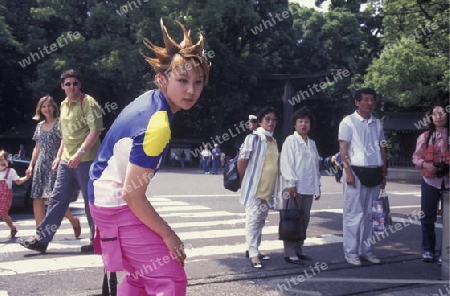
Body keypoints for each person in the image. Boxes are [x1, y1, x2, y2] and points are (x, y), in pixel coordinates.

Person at [87, 19, 211, 295]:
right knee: (171, 278)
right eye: (182, 80)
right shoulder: (158, 124)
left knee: (140, 278)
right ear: (162, 79)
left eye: (198, 82)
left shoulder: (150, 100)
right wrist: (168, 234)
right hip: (115, 204)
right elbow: (133, 195)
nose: (191, 91)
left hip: (104, 199)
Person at [19, 69, 103, 253]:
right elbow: (65, 134)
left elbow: (95, 130)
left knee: (90, 202)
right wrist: (59, 157)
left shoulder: (88, 103)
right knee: (56, 200)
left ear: (80, 85)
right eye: (68, 84)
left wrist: (80, 153)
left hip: (86, 160)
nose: (72, 87)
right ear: (62, 86)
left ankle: (96, 240)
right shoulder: (64, 105)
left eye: (75, 83)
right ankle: (41, 240)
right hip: (66, 161)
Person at [338, 88, 387, 266]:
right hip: (356, 172)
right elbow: (343, 149)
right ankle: (350, 252)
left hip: (374, 171)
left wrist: (384, 172)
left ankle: (366, 250)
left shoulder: (377, 123)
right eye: (365, 100)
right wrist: (348, 172)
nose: (369, 103)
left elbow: (382, 148)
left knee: (370, 216)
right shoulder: (348, 122)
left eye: (372, 100)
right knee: (353, 214)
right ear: (357, 102)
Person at [25, 95, 81, 237]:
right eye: (43, 106)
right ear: (40, 109)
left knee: (53, 200)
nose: (47, 109)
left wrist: (58, 158)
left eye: (49, 105)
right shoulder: (39, 126)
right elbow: (37, 147)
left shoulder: (60, 123)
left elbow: (65, 142)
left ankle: (74, 220)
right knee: (37, 198)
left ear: (54, 107)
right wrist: (31, 165)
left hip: (55, 165)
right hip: (40, 165)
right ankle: (40, 234)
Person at [237, 107, 279, 269]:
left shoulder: (273, 141)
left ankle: (254, 248)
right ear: (260, 122)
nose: (271, 122)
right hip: (254, 187)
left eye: (274, 119)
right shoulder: (254, 138)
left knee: (261, 220)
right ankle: (253, 253)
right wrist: (241, 180)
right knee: (253, 220)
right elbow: (242, 160)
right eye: (267, 119)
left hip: (268, 189)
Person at [279, 107, 321, 264]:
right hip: (294, 188)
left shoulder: (312, 143)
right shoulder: (291, 141)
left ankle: (299, 248)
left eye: (307, 121)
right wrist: (290, 184)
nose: (304, 124)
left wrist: (318, 186)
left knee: (304, 219)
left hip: (309, 188)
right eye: (300, 121)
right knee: (291, 219)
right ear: (294, 124)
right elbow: (286, 163)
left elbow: (315, 167)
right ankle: (289, 251)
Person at [412, 102, 449, 263]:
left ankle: (446, 252)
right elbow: (416, 158)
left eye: (442, 113)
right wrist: (426, 165)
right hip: (430, 180)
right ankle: (428, 250)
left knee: (449, 218)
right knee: (428, 217)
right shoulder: (425, 137)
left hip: (448, 181)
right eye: (435, 113)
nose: (439, 116)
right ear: (431, 118)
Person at [0, 150, 29, 239]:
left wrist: (26, 177)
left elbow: (18, 181)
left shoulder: (10, 171)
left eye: (4, 160)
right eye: (0, 160)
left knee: (2, 213)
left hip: (5, 197)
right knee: (4, 215)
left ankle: (13, 228)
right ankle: (13, 228)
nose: (2, 162)